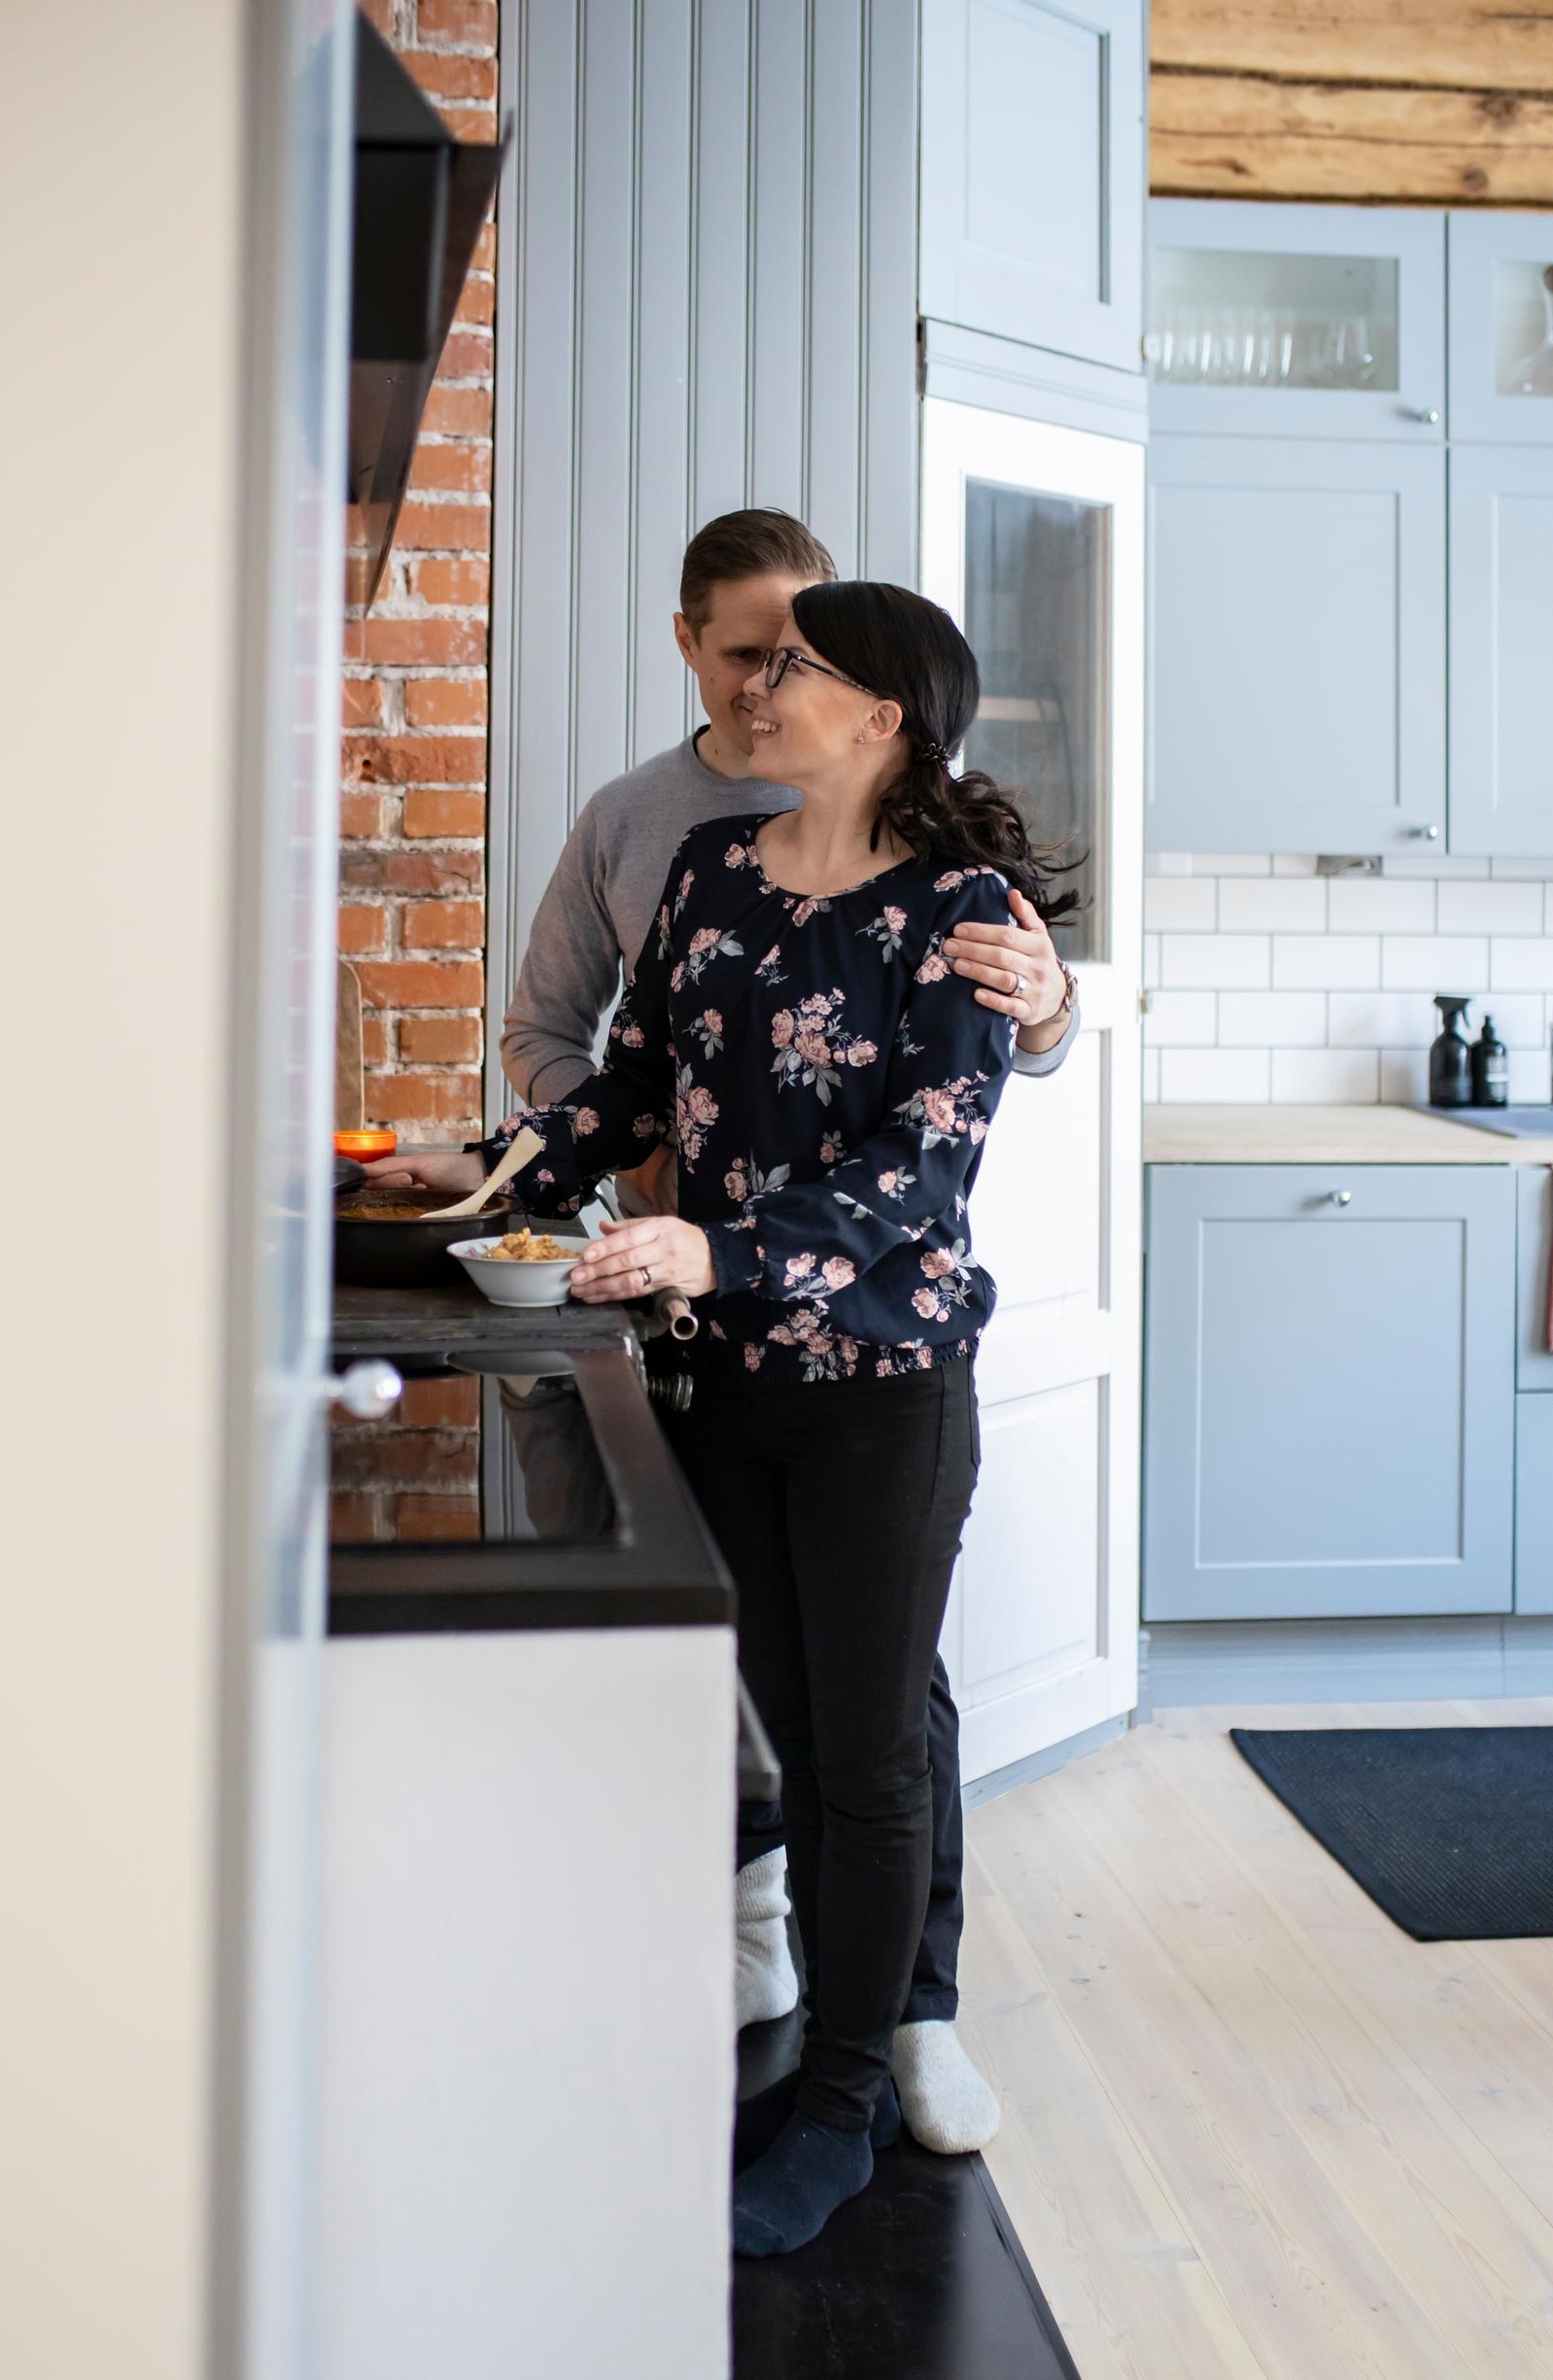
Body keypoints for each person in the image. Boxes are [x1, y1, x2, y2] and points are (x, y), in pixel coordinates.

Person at [377, 578, 1083, 2255]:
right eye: (758, 658)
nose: (763, 688)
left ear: (880, 717)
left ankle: (846, 2095)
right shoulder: (703, 870)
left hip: (878, 1392)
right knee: (784, 1719)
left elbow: (919, 1177)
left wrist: (719, 1240)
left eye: (799, 668)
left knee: (865, 1752)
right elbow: (630, 1091)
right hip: (712, 1377)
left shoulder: (962, 911)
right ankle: (826, 2059)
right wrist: (489, 1159)